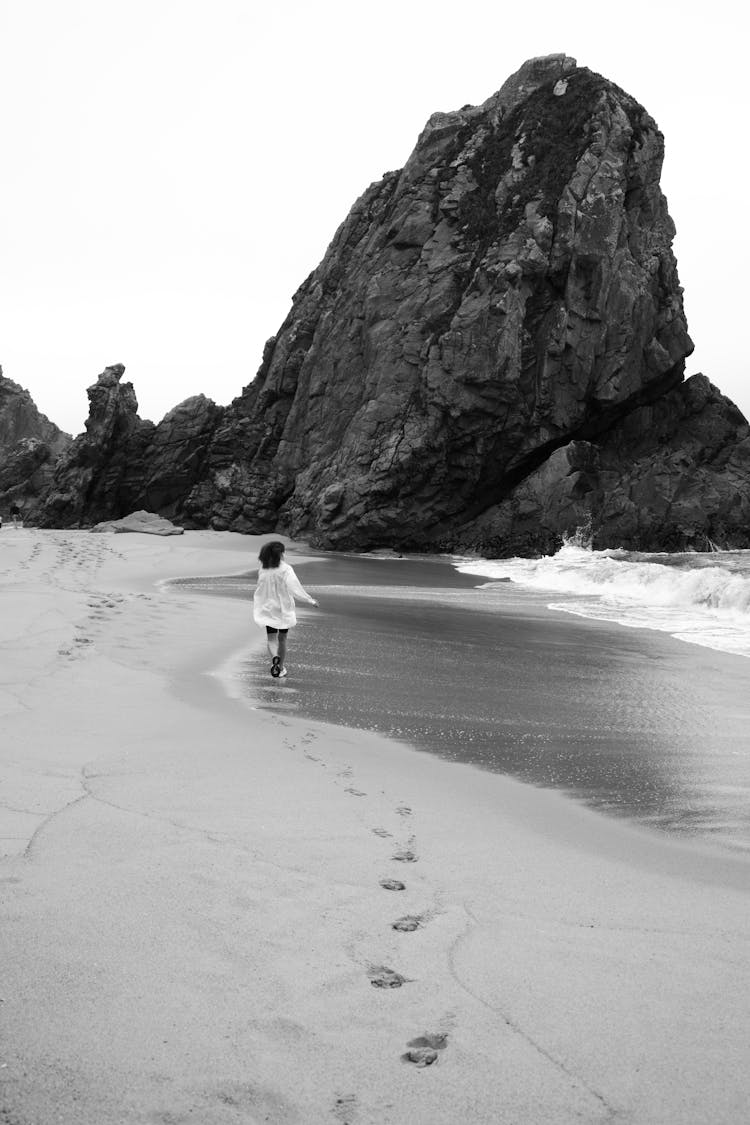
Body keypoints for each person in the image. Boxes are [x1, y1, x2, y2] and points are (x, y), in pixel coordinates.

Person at [253, 540, 318, 678]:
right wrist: (309, 599)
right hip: (283, 608)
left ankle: (275, 658)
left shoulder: (264, 569)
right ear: (281, 554)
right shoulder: (286, 569)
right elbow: (295, 587)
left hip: (268, 608)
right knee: (282, 639)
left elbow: (260, 588)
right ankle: (280, 667)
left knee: (271, 639)